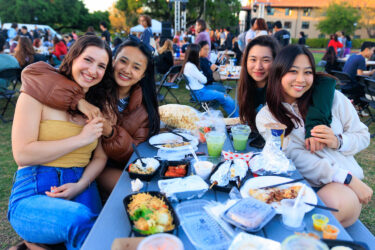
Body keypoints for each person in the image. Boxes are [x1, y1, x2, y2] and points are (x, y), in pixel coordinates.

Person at [8, 35, 117, 250]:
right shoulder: (36, 94)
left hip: (81, 184)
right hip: (34, 188)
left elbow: (100, 157)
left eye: (101, 66)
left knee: (103, 231)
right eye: (88, 60)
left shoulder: (101, 108)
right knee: (82, 220)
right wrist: (81, 139)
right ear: (73, 57)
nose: (93, 70)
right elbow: (23, 153)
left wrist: (81, 184)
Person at [20, 38, 160, 194]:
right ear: (113, 61)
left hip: (109, 165)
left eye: (136, 67)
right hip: (80, 165)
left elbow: (136, 154)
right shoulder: (93, 86)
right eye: (123, 61)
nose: (127, 70)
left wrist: (111, 133)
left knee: (147, 191)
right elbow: (33, 75)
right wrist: (78, 100)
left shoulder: (143, 109)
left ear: (142, 75)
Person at [256, 44, 373, 227]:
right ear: (279, 73)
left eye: (308, 72)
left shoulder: (333, 99)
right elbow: (294, 154)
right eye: (293, 71)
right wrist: (344, 176)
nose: (301, 79)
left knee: (327, 211)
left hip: (339, 188)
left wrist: (338, 141)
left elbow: (362, 135)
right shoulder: (267, 116)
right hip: (303, 181)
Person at [238, 37, 336, 148]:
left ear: (279, 62)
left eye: (266, 60)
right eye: (253, 59)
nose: (258, 66)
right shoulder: (246, 87)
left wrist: (315, 124)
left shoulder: (287, 86)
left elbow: (325, 81)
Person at [182, 44, 238, 117]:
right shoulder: (191, 66)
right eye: (199, 51)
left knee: (222, 95)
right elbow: (204, 80)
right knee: (224, 96)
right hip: (199, 93)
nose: (200, 53)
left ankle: (212, 113)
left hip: (199, 90)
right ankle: (236, 117)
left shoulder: (189, 65)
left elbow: (203, 79)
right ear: (194, 54)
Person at [342, 41, 375, 114]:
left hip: (344, 85)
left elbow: (359, 73)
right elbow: (360, 75)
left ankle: (357, 108)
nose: (373, 53)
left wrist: (370, 72)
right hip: (351, 87)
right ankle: (358, 109)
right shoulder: (361, 59)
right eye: (373, 50)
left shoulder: (353, 56)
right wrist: (371, 74)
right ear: (367, 49)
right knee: (367, 90)